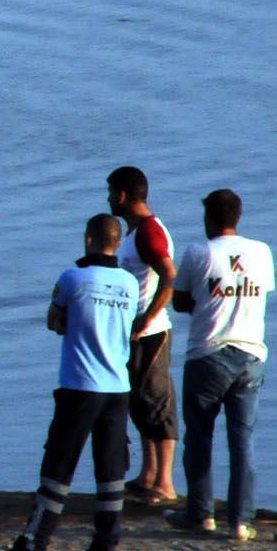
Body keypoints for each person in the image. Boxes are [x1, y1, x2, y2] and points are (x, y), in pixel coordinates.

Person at [0, 214, 137, 551]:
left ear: (88, 239)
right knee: (110, 469)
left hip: (79, 384)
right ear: (117, 242)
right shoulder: (130, 283)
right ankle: (105, 545)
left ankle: (35, 543)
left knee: (58, 465)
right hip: (118, 386)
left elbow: (54, 320)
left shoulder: (72, 278)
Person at [172, 189, 276, 541]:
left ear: (210, 219)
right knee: (242, 442)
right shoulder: (262, 252)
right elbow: (262, 293)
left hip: (208, 354)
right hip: (250, 355)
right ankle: (241, 521)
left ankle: (201, 514)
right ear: (238, 217)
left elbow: (181, 301)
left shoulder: (198, 252)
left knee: (199, 439)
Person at [109, 166, 180, 505]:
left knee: (156, 403)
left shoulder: (149, 232)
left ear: (123, 195)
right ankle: (148, 474)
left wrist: (147, 317)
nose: (109, 198)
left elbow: (169, 275)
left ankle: (165, 482)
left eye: (111, 192)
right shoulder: (135, 232)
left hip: (150, 332)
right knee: (138, 402)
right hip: (134, 333)